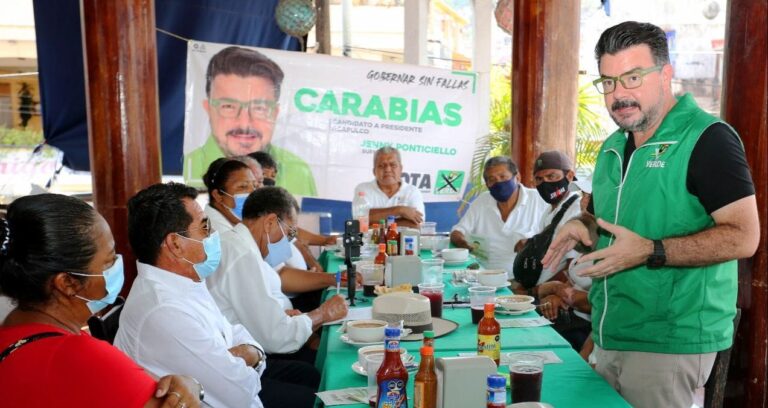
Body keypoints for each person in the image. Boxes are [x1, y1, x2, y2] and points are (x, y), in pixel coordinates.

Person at [543, 21, 759, 408]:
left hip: (670, 340)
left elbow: (744, 236)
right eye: (607, 82)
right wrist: (582, 224)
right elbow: (606, 220)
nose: (618, 95)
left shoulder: (708, 138)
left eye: (632, 77)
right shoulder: (612, 146)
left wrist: (650, 250)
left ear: (665, 75)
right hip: (610, 331)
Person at [116, 182, 319, 408]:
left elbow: (235, 333)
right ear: (175, 244)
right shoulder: (164, 310)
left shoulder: (186, 280)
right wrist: (248, 358)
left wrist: (252, 355)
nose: (214, 235)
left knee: (312, 379)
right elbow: (240, 393)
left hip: (246, 390)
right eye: (205, 228)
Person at [0, 194, 201, 407]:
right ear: (67, 283)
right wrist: (193, 387)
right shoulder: (81, 358)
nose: (117, 266)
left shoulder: (11, 331)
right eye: (109, 261)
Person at [208, 187, 348, 363]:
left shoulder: (241, 245)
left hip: (263, 341)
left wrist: (286, 316)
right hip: (251, 360)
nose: (288, 243)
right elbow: (276, 337)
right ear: (270, 222)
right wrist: (323, 313)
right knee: (318, 372)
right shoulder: (242, 256)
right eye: (290, 234)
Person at [183, 46, 317, 196]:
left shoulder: (298, 171)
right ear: (208, 109)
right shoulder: (186, 167)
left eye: (259, 108)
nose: (245, 124)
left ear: (275, 113)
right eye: (229, 107)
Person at [450, 156, 547, 276]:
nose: (498, 183)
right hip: (482, 276)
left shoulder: (539, 200)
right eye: (492, 179)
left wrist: (532, 243)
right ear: (487, 185)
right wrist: (464, 244)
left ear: (517, 177)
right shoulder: (482, 201)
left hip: (524, 279)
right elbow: (458, 231)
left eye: (503, 177)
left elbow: (555, 236)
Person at [514, 150, 582, 288]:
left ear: (569, 175)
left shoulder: (576, 209)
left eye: (551, 176)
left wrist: (540, 291)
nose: (545, 183)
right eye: (539, 179)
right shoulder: (550, 210)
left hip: (555, 296)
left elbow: (573, 267)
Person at [352, 146, 425, 228]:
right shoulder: (363, 189)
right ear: (374, 171)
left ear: (400, 169)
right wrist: (399, 210)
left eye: (393, 165)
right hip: (371, 240)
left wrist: (374, 223)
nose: (387, 169)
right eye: (381, 166)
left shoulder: (412, 191)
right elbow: (359, 222)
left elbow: (416, 224)